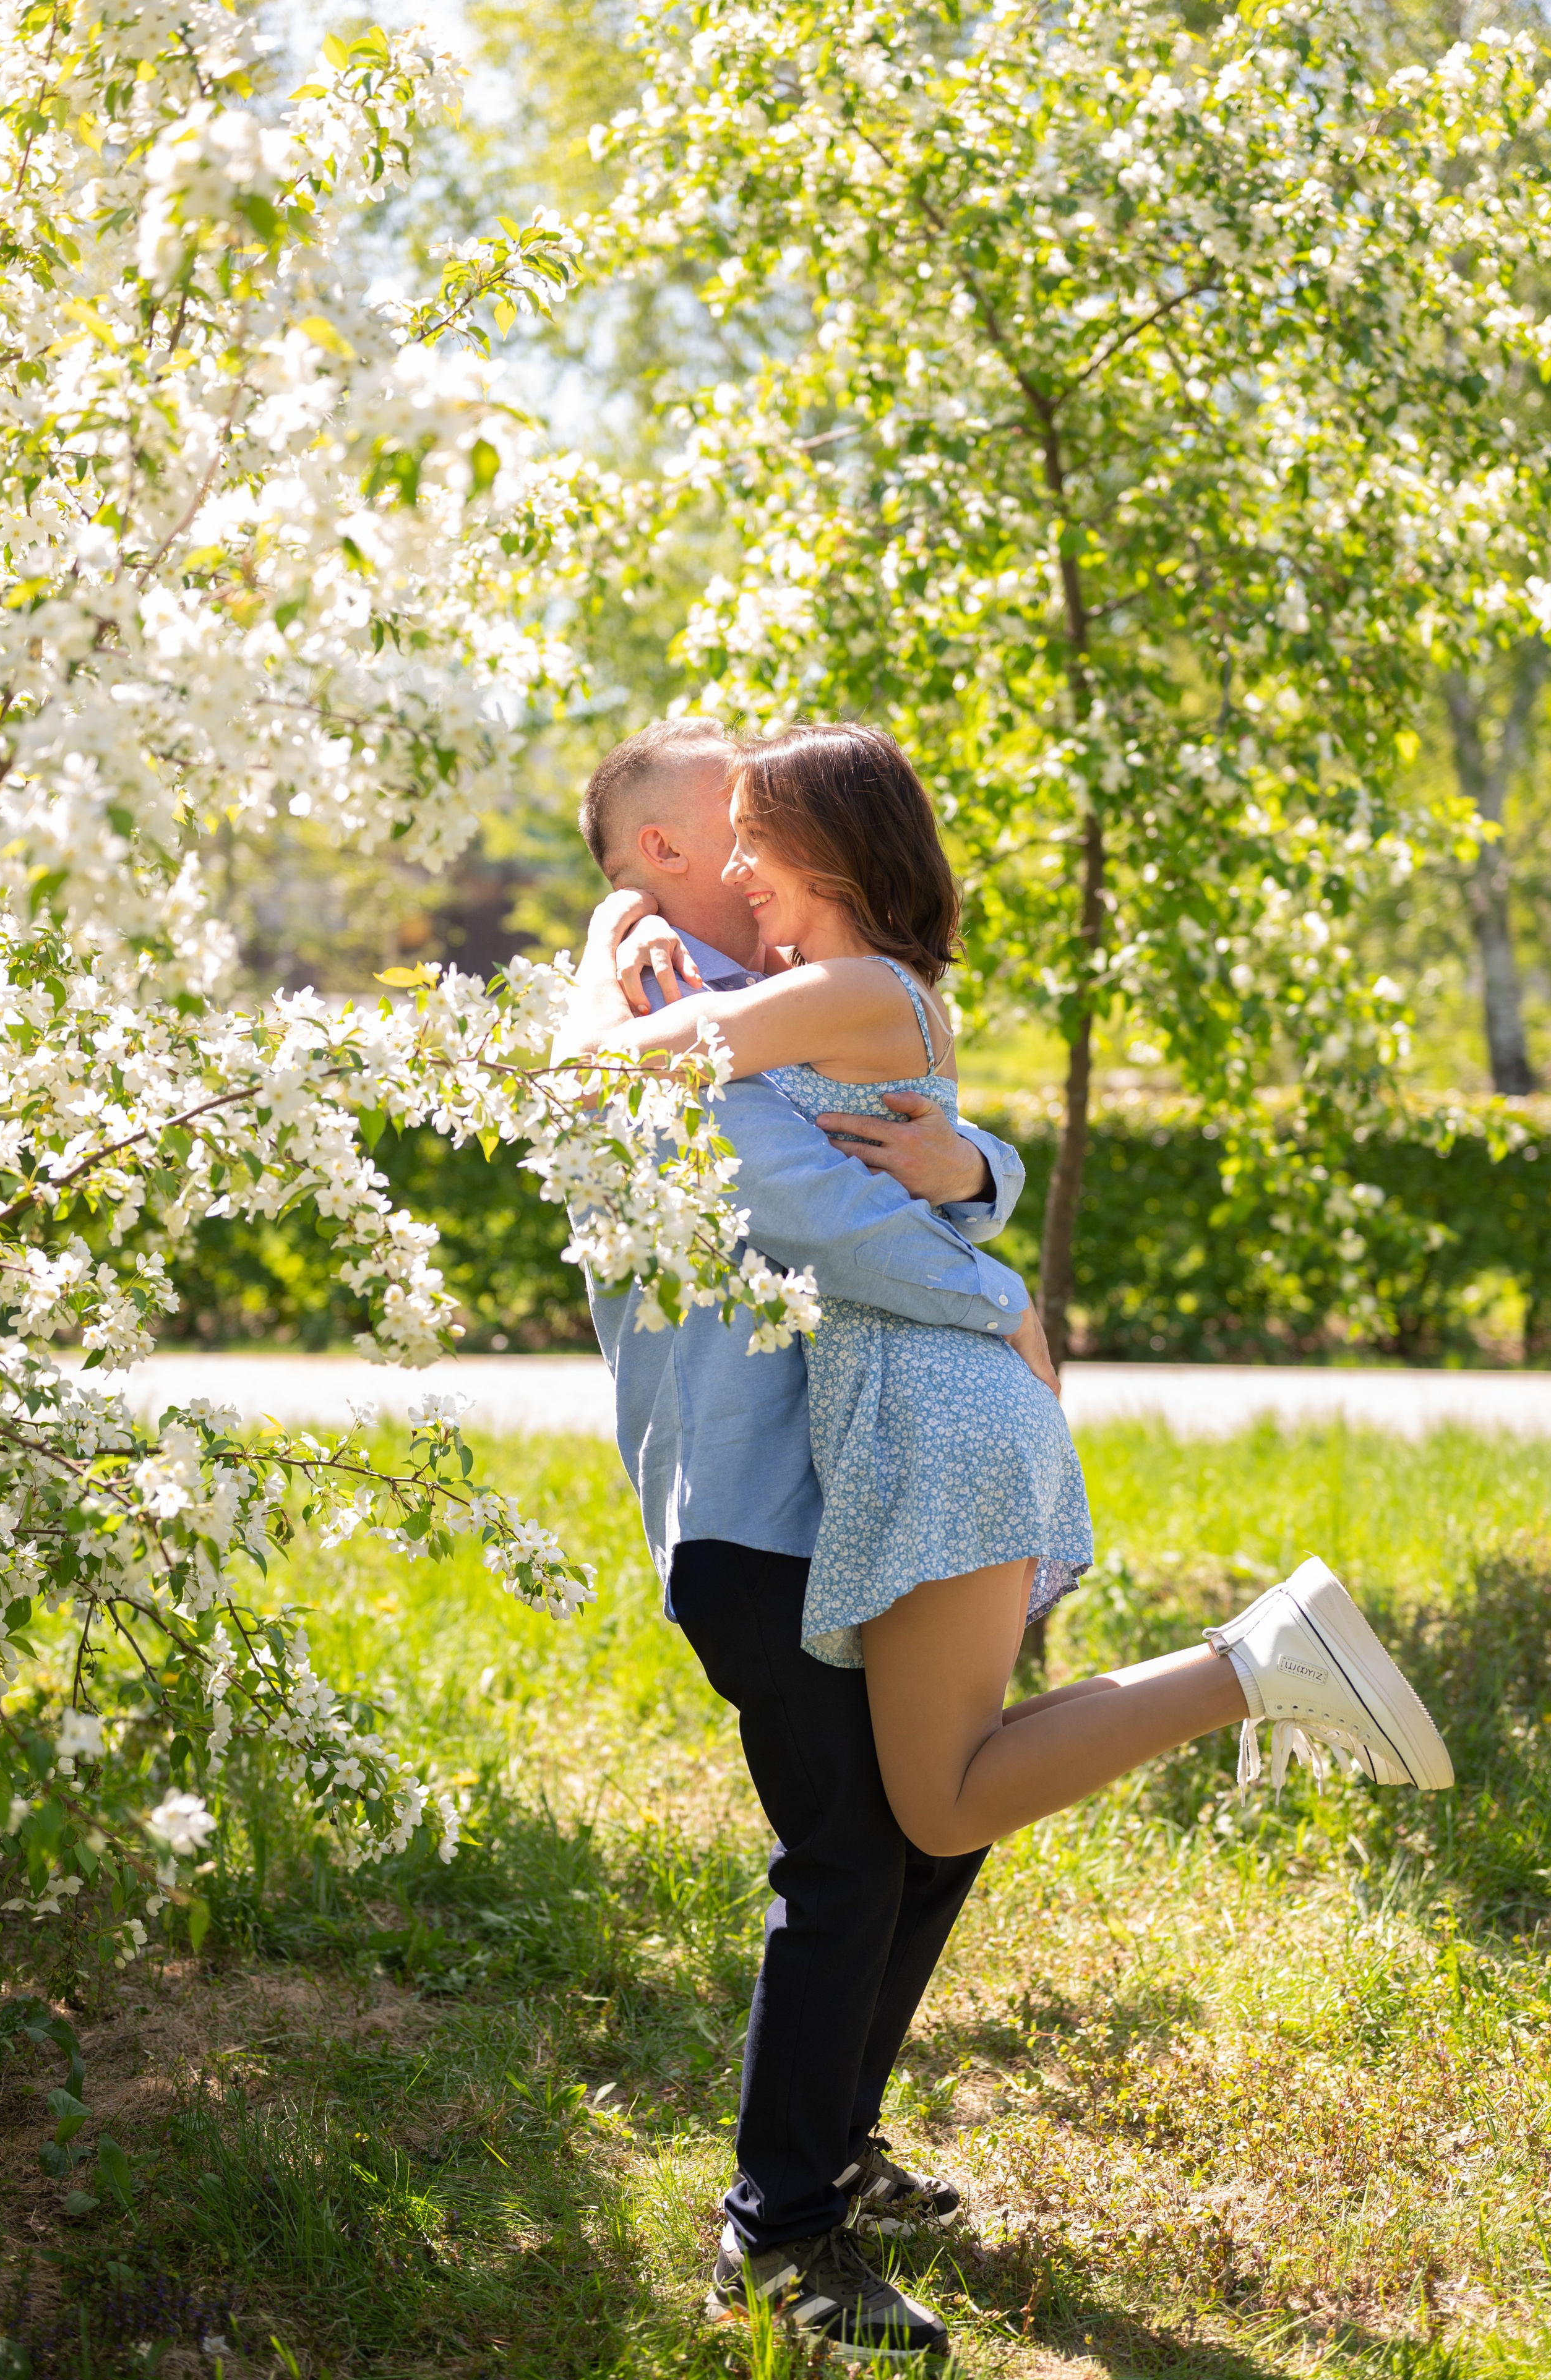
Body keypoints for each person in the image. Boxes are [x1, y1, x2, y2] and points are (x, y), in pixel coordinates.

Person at [569, 717, 1039, 2362]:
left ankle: (831, 2149)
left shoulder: (738, 1002)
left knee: (937, 1822)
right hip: (759, 1512)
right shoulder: (644, 1010)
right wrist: (1006, 1296)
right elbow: (813, 1215)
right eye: (740, 822)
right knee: (851, 1852)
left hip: (860, 1483)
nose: (768, 845)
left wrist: (981, 1172)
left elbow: (914, 1135)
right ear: (670, 860)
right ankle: (780, 2238)